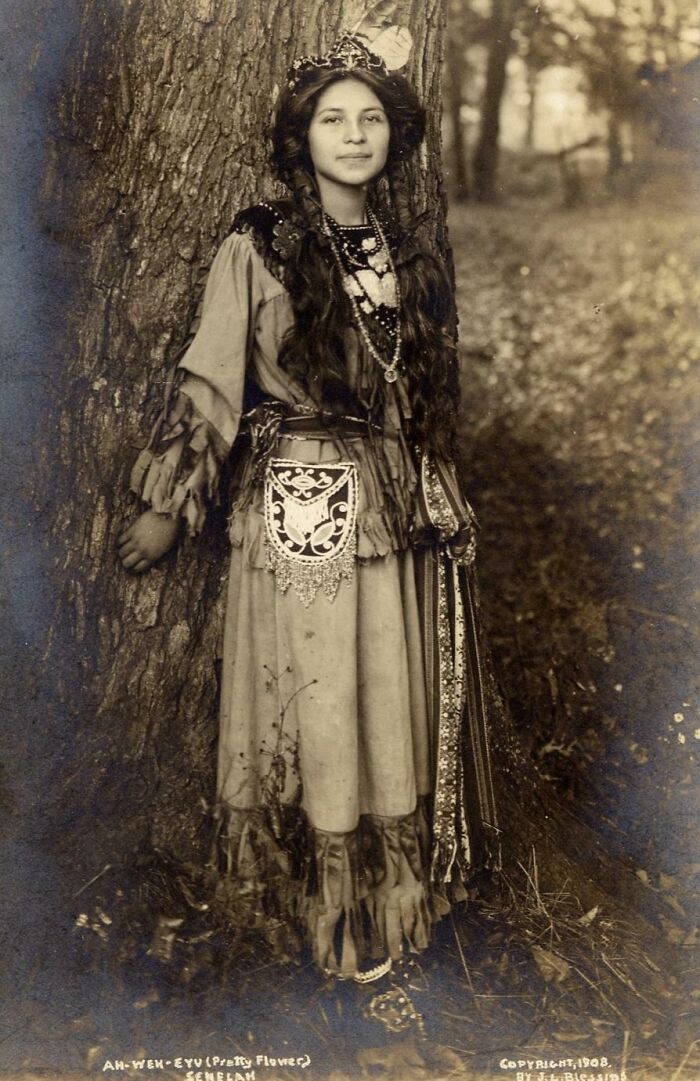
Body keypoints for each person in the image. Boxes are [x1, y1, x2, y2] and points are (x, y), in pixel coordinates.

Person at [118, 34, 498, 983]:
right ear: (301, 136)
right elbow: (213, 377)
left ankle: (387, 898)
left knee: (384, 685)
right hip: (303, 494)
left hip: (395, 504)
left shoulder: (405, 250)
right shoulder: (261, 245)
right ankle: (314, 906)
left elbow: (420, 393)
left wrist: (437, 479)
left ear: (394, 134)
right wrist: (170, 500)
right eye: (334, 117)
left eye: (372, 117)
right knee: (320, 686)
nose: (355, 133)